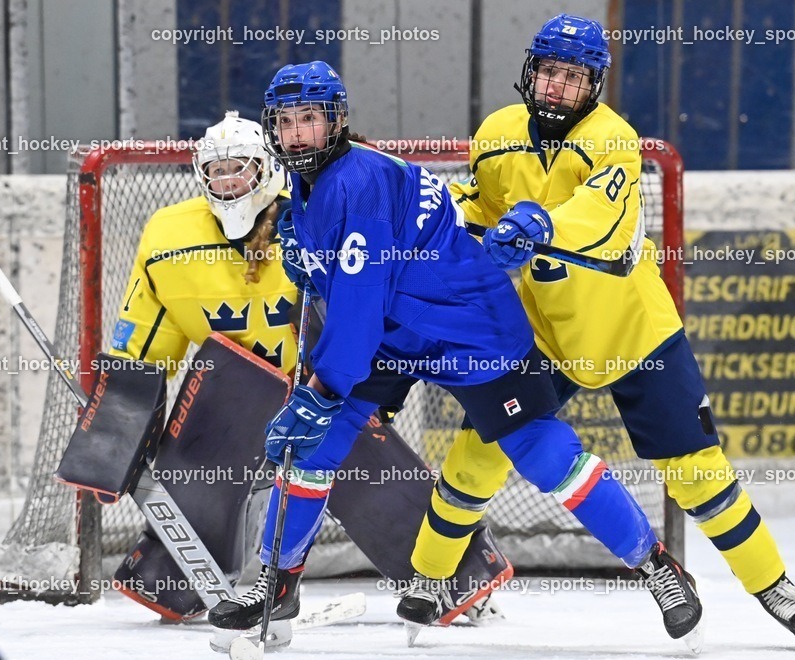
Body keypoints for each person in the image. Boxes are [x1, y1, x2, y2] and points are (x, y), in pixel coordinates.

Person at [207, 60, 702, 647]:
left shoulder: (355, 186)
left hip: (470, 326)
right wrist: (310, 265)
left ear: (336, 122)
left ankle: (655, 565)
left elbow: (357, 306)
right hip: (395, 328)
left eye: (309, 119)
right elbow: (349, 293)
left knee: (543, 455)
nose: (296, 134)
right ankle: (277, 578)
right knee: (318, 440)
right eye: (285, 122)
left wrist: (322, 389)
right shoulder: (312, 188)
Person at [412, 14, 795, 649]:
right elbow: (481, 202)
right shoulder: (496, 133)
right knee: (479, 450)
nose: (556, 88)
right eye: (548, 72)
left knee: (696, 471)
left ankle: (773, 584)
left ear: (594, 85)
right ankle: (428, 577)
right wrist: (450, 219)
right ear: (531, 72)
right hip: (543, 334)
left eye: (572, 77)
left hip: (632, 332)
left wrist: (541, 225)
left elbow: (601, 214)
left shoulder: (614, 140)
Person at [105, 111, 512, 626]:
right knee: (217, 399)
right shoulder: (169, 235)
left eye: (242, 169)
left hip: (322, 391)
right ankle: (173, 571)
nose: (229, 182)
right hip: (230, 405)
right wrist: (114, 430)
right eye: (218, 170)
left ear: (269, 169)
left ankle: (451, 575)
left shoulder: (325, 215)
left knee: (344, 438)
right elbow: (141, 353)